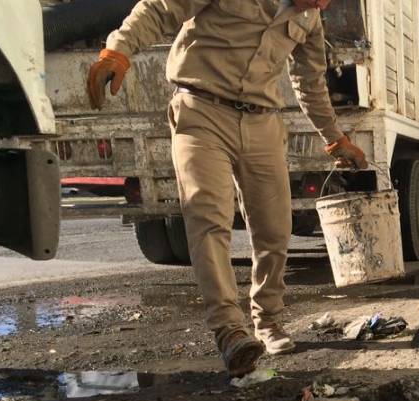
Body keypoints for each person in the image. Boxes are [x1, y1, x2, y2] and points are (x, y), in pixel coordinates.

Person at [86, 0, 367, 377]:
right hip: (201, 110)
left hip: (261, 122)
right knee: (208, 217)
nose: (321, 4)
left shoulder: (309, 18)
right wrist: (118, 50)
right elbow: (159, 9)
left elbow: (310, 81)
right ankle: (230, 330)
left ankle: (267, 320)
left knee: (275, 229)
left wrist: (334, 138)